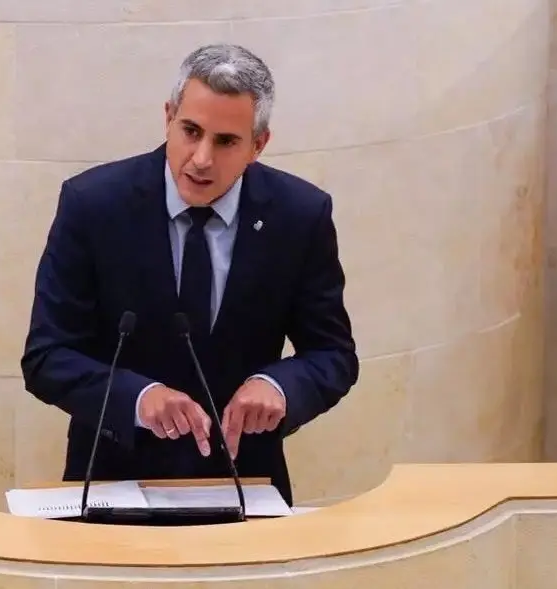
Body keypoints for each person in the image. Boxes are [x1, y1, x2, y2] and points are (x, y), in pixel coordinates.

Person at [21, 43, 359, 505]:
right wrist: (139, 397)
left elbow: (333, 354)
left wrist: (278, 386)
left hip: (243, 483)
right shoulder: (94, 205)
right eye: (191, 131)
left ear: (258, 145)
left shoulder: (299, 216)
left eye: (226, 141)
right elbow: (47, 357)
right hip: (114, 480)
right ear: (168, 118)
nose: (201, 158)